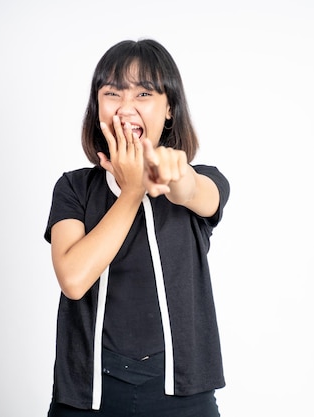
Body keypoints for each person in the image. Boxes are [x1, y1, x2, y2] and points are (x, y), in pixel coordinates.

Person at [44, 39, 230, 417]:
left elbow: (194, 192)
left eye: (143, 93)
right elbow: (74, 279)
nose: (125, 108)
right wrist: (131, 191)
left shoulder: (203, 178)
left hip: (183, 396)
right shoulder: (73, 188)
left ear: (169, 110)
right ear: (97, 107)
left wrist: (174, 174)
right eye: (112, 93)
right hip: (87, 397)